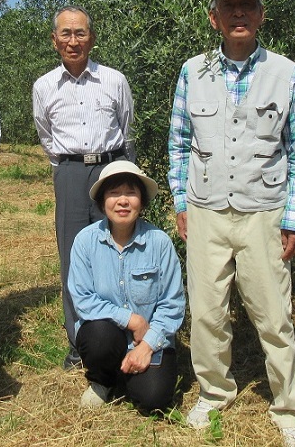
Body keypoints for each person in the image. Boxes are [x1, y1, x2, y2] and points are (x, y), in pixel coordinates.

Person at [168, 0, 295, 447]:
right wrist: (180, 201)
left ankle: (289, 409)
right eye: (229, 6)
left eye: (247, 5)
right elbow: (178, 143)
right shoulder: (192, 72)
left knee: (274, 316)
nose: (238, 13)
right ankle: (214, 392)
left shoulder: (286, 73)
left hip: (264, 212)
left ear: (261, 15)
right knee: (207, 312)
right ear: (213, 17)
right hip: (205, 210)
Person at [32, 5, 135, 369]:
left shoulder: (114, 80)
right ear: (54, 40)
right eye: (65, 33)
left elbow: (126, 129)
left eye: (80, 33)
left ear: (91, 38)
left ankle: (123, 333)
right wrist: (68, 167)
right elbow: (46, 136)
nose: (73, 41)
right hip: (70, 172)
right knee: (73, 255)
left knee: (119, 249)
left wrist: (124, 174)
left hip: (111, 170)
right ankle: (79, 343)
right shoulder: (44, 86)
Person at [67, 160, 184, 413]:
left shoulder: (159, 243)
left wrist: (147, 345)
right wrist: (132, 320)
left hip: (149, 338)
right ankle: (103, 380)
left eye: (131, 193)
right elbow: (83, 299)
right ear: (102, 202)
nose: (122, 201)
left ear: (142, 201)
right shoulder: (85, 241)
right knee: (99, 338)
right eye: (114, 193)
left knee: (154, 400)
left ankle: (128, 373)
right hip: (106, 336)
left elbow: (172, 304)